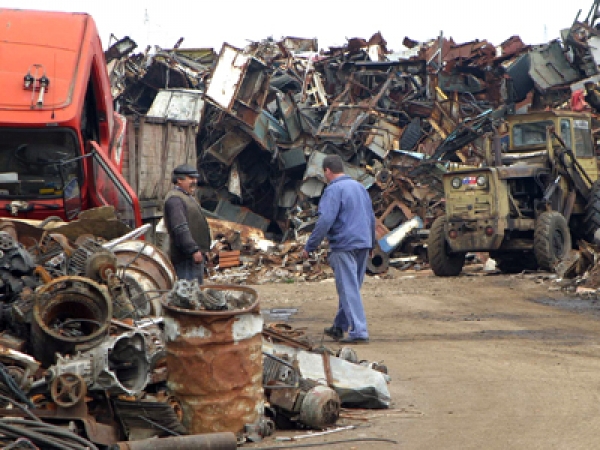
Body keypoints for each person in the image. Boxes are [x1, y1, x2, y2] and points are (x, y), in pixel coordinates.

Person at [302, 154, 375, 344]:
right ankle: (339, 326)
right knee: (352, 287)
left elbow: (325, 220)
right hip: (363, 242)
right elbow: (371, 217)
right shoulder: (360, 187)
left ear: (327, 170)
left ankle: (359, 331)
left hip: (344, 243)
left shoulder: (333, 190)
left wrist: (310, 245)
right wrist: (373, 243)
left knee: (348, 288)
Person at [163, 164, 212, 284]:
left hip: (191, 257)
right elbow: (180, 228)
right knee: (188, 293)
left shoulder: (186, 197)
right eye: (190, 178)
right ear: (179, 180)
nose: (194, 181)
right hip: (185, 258)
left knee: (194, 291)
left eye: (195, 178)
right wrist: (193, 250)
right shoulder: (175, 200)